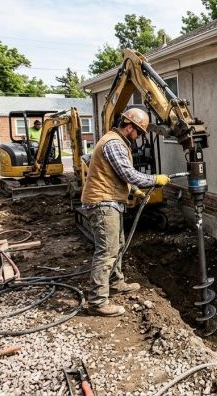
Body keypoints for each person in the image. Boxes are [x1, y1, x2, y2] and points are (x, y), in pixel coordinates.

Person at [81, 108, 170, 317]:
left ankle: (115, 282)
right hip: (102, 202)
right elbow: (127, 173)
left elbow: (116, 176)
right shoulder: (114, 143)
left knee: (118, 244)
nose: (139, 137)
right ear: (129, 126)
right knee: (107, 251)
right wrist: (155, 179)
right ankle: (97, 301)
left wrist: (134, 190)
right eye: (138, 132)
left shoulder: (117, 142)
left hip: (111, 201)